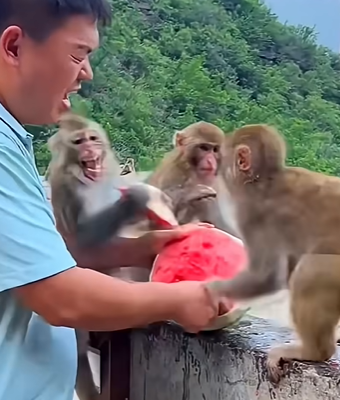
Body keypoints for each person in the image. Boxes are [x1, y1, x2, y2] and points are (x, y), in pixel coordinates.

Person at [0, 1, 222, 399]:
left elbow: (42, 258)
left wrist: (145, 248)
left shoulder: (12, 139)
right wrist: (176, 300)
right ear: (14, 47)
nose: (86, 72)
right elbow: (59, 297)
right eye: (78, 55)